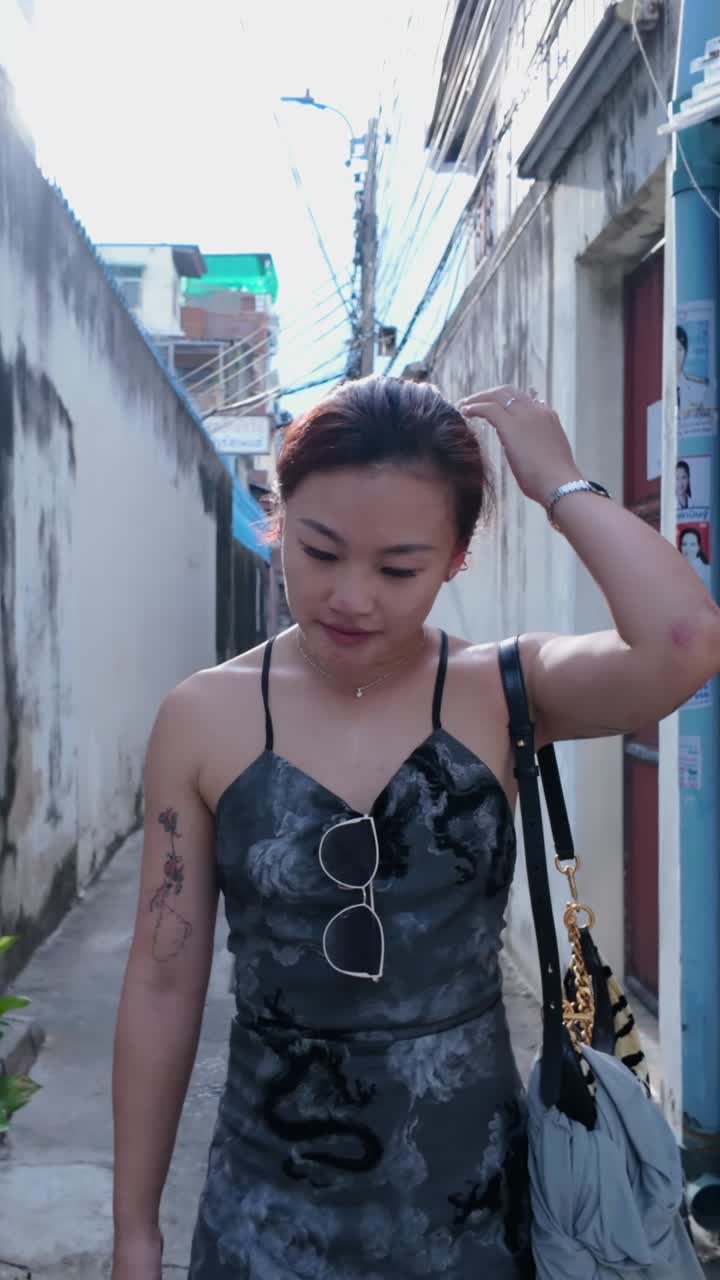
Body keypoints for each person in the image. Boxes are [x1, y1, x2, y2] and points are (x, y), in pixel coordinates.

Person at [111, 376, 720, 1280]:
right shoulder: (203, 716)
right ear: (279, 521)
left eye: (399, 568)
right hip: (263, 1211)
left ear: (455, 558)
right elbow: (163, 981)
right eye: (319, 552)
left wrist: (559, 482)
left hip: (472, 1203)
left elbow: (682, 643)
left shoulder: (506, 688)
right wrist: (136, 1234)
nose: (352, 596)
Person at [679, 526, 712, 591]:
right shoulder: (676, 569)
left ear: (699, 547)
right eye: (684, 544)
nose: (688, 549)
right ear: (681, 547)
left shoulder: (708, 571)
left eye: (692, 544)